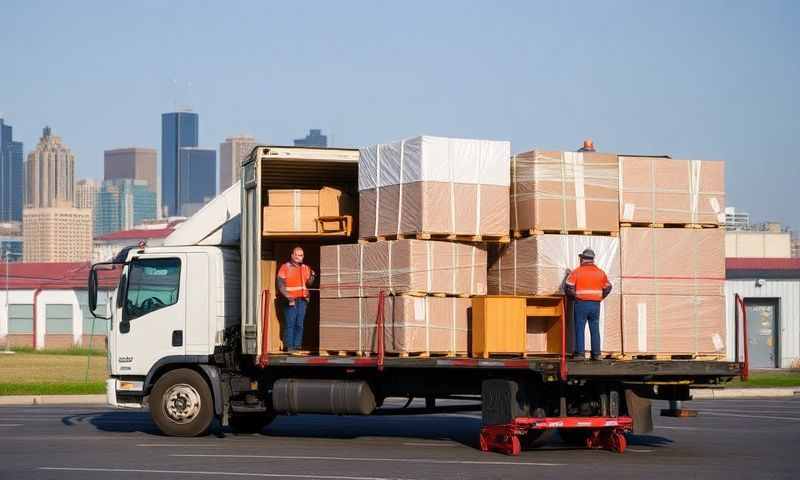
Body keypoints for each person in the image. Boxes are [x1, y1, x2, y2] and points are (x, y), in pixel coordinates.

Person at [564, 248, 612, 360]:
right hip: (595, 304)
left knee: (580, 328)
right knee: (595, 328)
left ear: (582, 259)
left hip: (581, 303)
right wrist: (600, 297)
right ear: (592, 260)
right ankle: (596, 354)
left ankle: (580, 354)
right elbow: (608, 287)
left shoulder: (576, 272)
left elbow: (568, 286)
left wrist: (573, 297)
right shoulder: (600, 272)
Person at [276, 246, 315, 352]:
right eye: (297, 255)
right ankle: (289, 346)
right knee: (290, 323)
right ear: (292, 255)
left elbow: (309, 283)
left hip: (302, 300)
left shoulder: (305, 268)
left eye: (301, 255)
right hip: (290, 301)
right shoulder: (285, 267)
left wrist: (312, 276)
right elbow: (280, 284)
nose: (299, 257)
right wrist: (289, 297)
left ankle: (297, 345)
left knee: (299, 324)